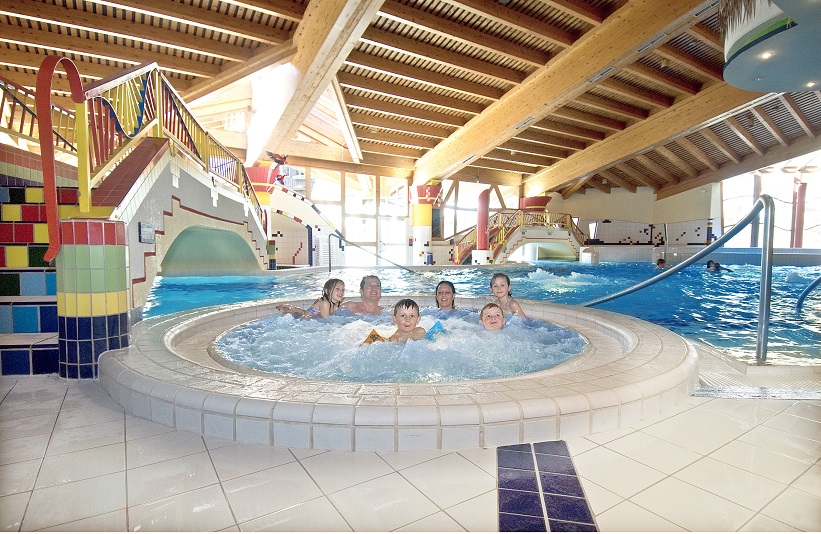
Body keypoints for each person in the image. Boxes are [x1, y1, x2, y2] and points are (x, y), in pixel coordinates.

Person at [276, 278, 345, 318]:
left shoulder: (334, 303)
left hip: (309, 314)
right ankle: (288, 309)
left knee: (304, 312)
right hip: (305, 318)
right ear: (327, 291)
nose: (341, 292)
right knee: (303, 314)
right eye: (337, 289)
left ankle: (290, 308)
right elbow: (326, 320)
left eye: (343, 290)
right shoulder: (325, 303)